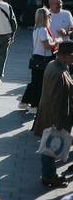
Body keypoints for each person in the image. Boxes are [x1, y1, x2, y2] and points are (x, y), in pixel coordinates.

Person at [32, 41, 73, 187]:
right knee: (49, 149)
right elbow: (57, 101)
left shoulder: (55, 65)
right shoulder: (58, 73)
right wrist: (58, 123)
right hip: (53, 116)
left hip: (48, 114)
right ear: (67, 56)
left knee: (49, 147)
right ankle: (49, 176)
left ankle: (49, 175)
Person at [20, 7, 60, 112]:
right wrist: (56, 41)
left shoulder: (37, 29)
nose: (50, 17)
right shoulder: (43, 30)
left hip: (37, 58)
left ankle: (24, 102)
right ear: (45, 18)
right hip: (43, 59)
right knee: (39, 83)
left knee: (35, 82)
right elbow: (47, 46)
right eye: (49, 16)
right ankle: (35, 106)